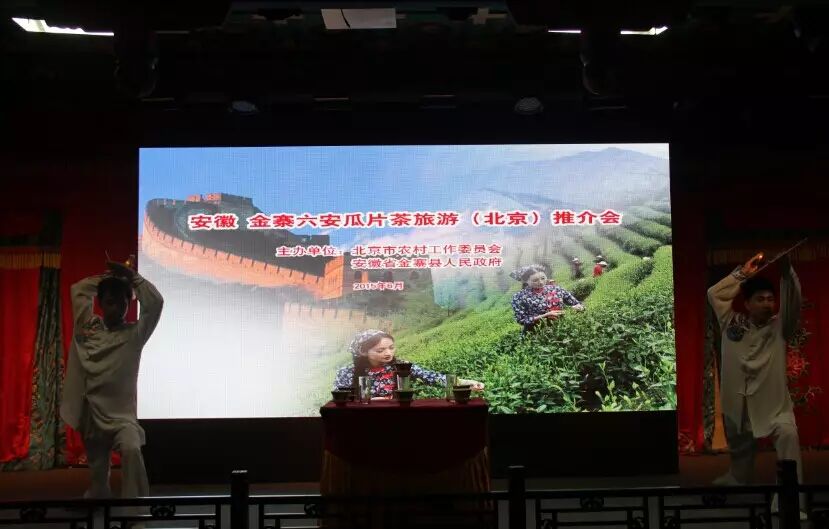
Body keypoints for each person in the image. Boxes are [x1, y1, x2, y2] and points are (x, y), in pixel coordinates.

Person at [708, 252, 806, 518]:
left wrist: (787, 275)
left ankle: (789, 501)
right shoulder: (732, 323)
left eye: (770, 299)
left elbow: (793, 302)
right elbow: (714, 294)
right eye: (760, 299)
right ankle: (738, 478)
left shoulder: (780, 326)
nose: (767, 304)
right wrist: (743, 273)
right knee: (741, 450)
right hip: (738, 403)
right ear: (747, 304)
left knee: (788, 435)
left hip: (774, 406)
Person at [60, 258, 163, 501]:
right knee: (98, 481)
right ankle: (99, 499)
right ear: (100, 304)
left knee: (131, 449)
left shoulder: (134, 335)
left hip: (122, 420)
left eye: (123, 303)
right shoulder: (88, 330)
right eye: (110, 302)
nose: (117, 308)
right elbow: (78, 290)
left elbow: (155, 303)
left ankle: (135, 509)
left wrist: (132, 277)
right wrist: (110, 278)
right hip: (92, 417)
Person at [333, 330, 484, 398]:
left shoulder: (401, 366)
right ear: (364, 352)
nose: (388, 353)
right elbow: (339, 399)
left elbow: (431, 377)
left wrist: (465, 383)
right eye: (381, 350)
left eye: (391, 347)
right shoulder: (347, 372)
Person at [510, 265, 584, 333]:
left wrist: (577, 307)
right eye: (535, 280)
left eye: (543, 278)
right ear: (526, 281)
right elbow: (521, 319)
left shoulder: (556, 289)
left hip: (563, 328)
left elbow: (576, 303)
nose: (541, 282)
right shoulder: (519, 297)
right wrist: (544, 316)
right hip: (537, 333)